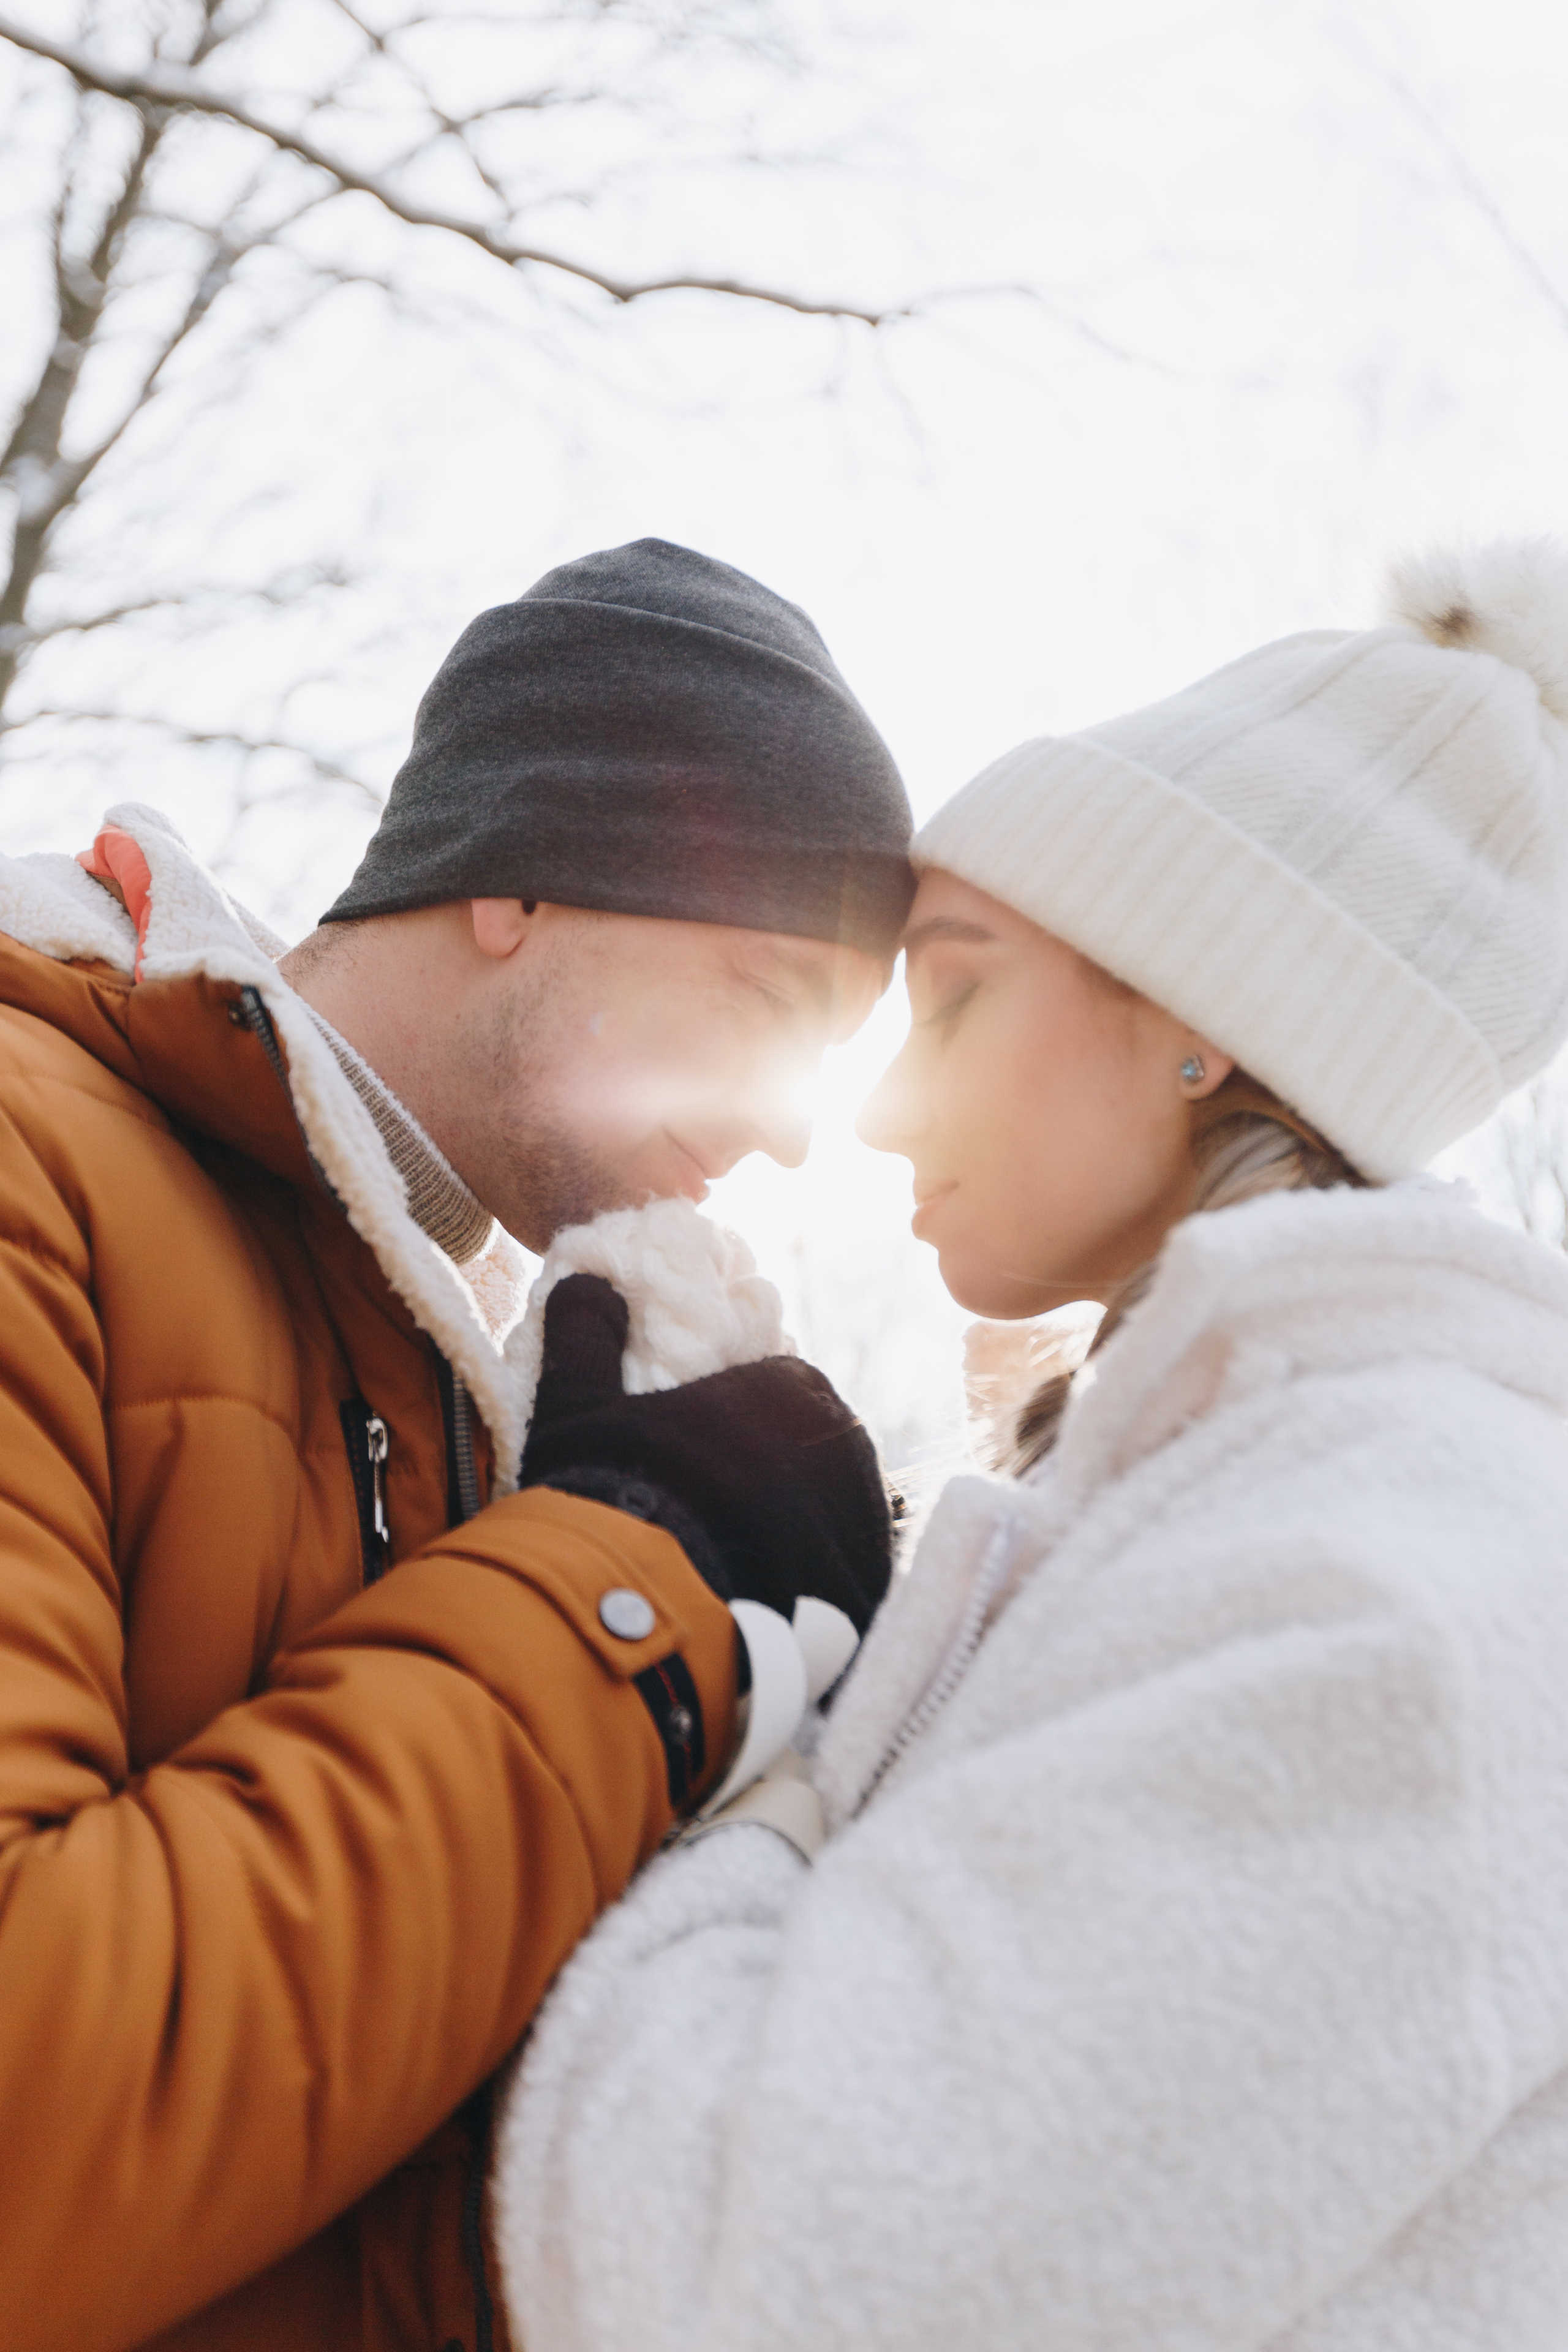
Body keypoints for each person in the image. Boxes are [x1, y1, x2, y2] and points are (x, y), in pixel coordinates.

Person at [492, 538, 1568, 2352]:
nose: (887, 1109)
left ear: (1211, 1030)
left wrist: (728, 1729)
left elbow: (748, 2280)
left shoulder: (1398, 1573)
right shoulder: (1256, 1506)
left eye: (960, 990)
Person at [0, 538, 908, 2352]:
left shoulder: (459, 1397)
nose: (798, 1137)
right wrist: (625, 1577)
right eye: (761, 995)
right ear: (519, 884)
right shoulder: (34, 1153)